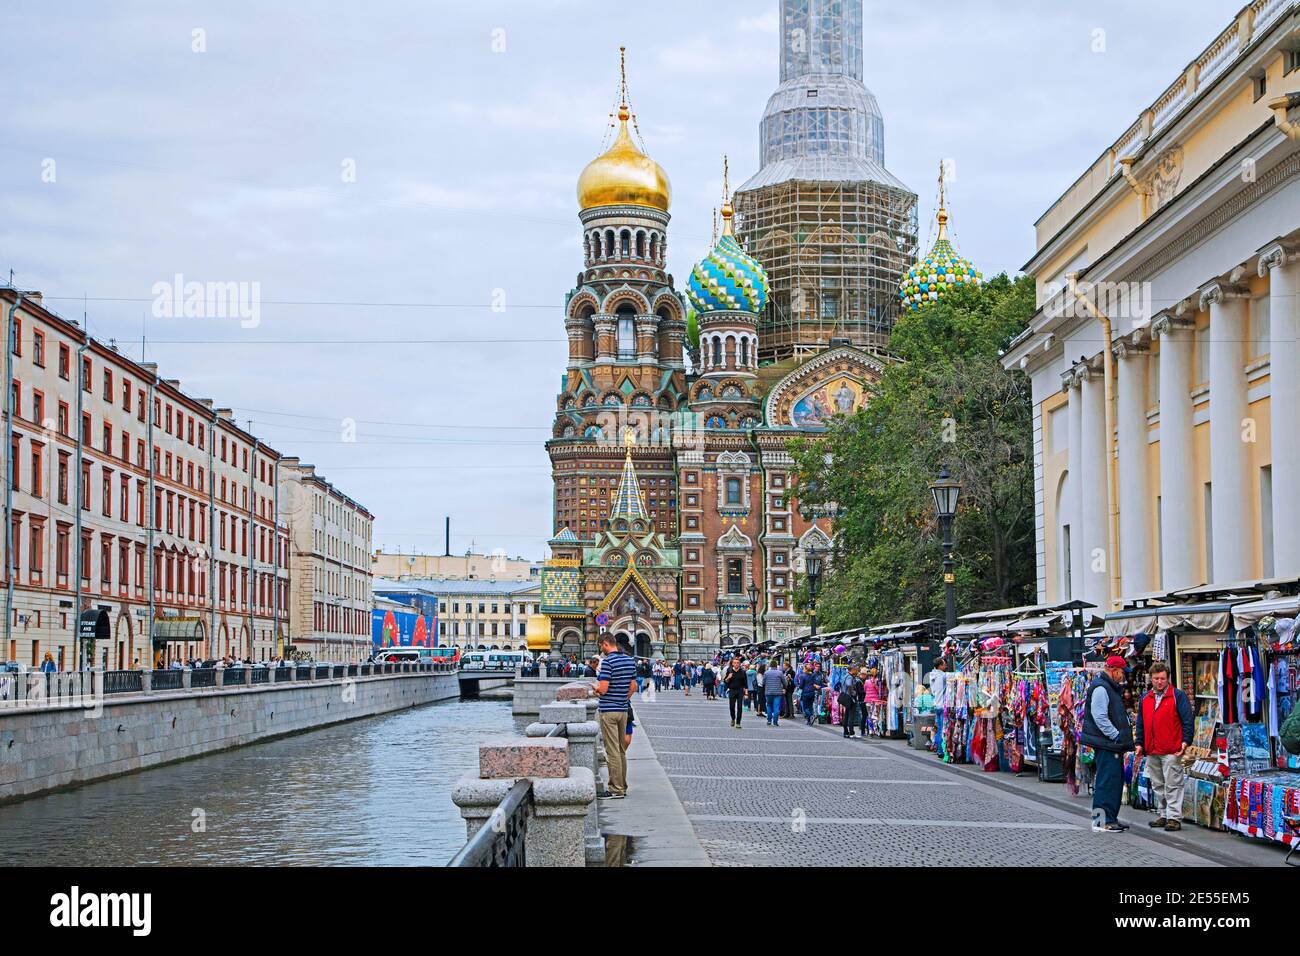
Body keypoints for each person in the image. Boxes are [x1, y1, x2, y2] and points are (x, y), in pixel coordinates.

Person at [1134, 661, 1194, 832]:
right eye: (1156, 679)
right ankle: (1163, 814)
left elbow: (1187, 720)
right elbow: (1141, 723)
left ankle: (1174, 817)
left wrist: (1185, 741)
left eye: (1162, 678)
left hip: (1172, 748)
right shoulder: (1146, 698)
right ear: (1151, 679)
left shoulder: (1177, 696)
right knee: (1158, 784)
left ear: (1168, 678)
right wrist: (1139, 743)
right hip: (1152, 749)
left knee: (1173, 784)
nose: (1159, 682)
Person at [1080, 655, 1135, 832]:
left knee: (1113, 781)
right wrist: (1116, 735)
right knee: (1106, 781)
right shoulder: (1102, 688)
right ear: (1113, 670)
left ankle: (1109, 817)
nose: (1123, 676)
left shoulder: (1107, 686)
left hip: (1109, 743)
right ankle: (1101, 821)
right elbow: (1100, 716)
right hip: (1107, 744)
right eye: (1121, 672)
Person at [591, 633, 637, 799]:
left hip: (609, 711)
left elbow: (603, 689)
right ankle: (622, 786)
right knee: (620, 750)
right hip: (623, 710)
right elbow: (633, 686)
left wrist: (595, 688)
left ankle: (616, 789)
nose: (601, 650)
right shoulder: (629, 660)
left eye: (601, 647)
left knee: (612, 751)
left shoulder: (608, 662)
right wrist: (623, 699)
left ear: (605, 644)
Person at [723, 657, 748, 728]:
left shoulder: (743, 672)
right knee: (731, 707)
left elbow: (745, 683)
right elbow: (725, 681)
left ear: (740, 664)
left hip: (740, 690)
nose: (736, 664)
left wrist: (746, 693)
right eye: (735, 663)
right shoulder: (729, 670)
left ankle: (738, 723)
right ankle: (733, 718)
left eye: (738, 663)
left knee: (739, 707)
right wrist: (728, 677)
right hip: (732, 690)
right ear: (732, 664)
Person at [839, 668, 862, 738]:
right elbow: (849, 685)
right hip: (850, 698)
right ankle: (851, 732)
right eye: (856, 670)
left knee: (846, 715)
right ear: (852, 670)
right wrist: (853, 693)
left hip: (846, 697)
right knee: (851, 715)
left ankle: (846, 731)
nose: (857, 671)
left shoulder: (845, 676)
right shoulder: (849, 677)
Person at [763, 660, 786, 726]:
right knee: (776, 707)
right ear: (776, 665)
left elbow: (763, 683)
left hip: (768, 692)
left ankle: (769, 720)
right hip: (778, 693)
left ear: (770, 665)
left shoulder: (766, 673)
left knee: (769, 705)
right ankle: (775, 721)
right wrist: (784, 687)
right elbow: (784, 683)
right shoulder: (780, 673)